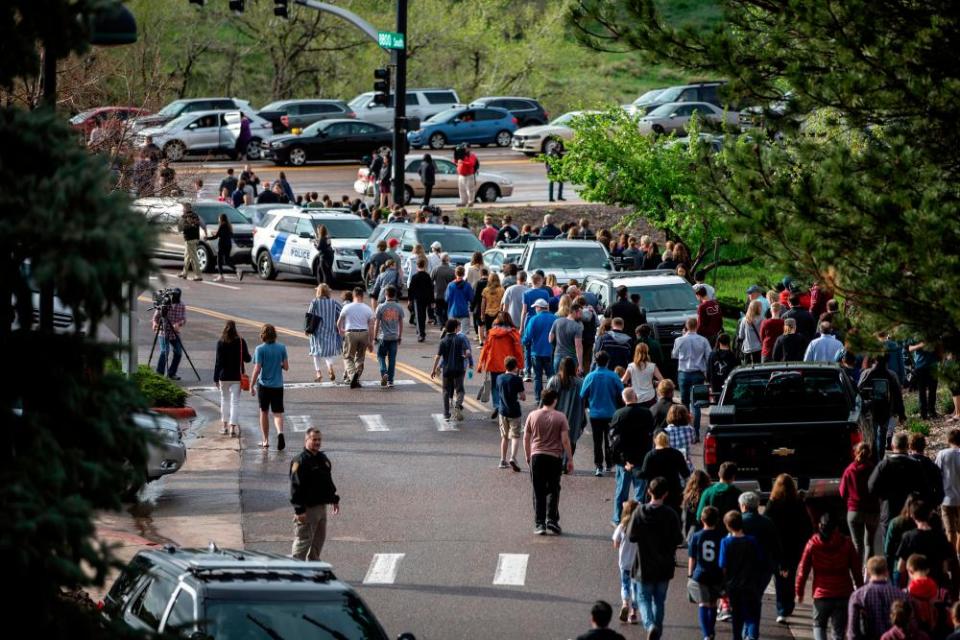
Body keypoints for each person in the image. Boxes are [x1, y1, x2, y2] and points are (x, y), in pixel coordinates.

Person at [627, 476, 683, 639]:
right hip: (664, 565)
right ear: (665, 494)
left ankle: (650, 625)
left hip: (644, 564)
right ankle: (656, 630)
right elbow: (678, 539)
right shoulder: (670, 514)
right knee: (659, 601)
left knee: (643, 598)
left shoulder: (639, 511)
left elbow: (631, 536)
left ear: (649, 491)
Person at [796, 513, 864, 640]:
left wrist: (799, 591)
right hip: (843, 593)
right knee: (839, 632)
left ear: (820, 526)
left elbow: (802, 570)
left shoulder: (813, 544)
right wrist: (860, 590)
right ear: (836, 528)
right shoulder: (846, 543)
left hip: (821, 594)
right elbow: (856, 570)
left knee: (818, 626)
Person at [523, 388, 574, 535]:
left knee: (538, 490)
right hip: (554, 457)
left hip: (536, 455)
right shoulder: (560, 417)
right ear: (555, 400)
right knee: (553, 488)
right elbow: (565, 440)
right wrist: (570, 459)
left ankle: (539, 523)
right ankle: (551, 519)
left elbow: (526, 438)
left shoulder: (533, 415)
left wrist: (528, 455)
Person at [764, 473, 813, 623]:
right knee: (790, 577)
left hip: (776, 547)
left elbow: (766, 523)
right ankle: (788, 605)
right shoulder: (798, 503)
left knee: (779, 578)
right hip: (794, 547)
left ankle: (781, 609)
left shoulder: (772, 504)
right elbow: (807, 527)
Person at [290, 427, 341, 561]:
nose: (317, 442)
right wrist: (299, 510)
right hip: (307, 509)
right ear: (306, 440)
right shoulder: (300, 461)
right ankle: (295, 569)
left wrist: (334, 498)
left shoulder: (322, 459)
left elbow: (327, 481)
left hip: (321, 507)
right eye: (314, 439)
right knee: (303, 541)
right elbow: (295, 488)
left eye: (319, 440)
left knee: (318, 541)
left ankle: (313, 567)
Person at [609, 388, 655, 525]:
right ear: (635, 397)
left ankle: (618, 518)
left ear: (624, 399)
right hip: (642, 457)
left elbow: (613, 439)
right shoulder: (647, 413)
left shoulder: (619, 414)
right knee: (640, 491)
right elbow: (651, 433)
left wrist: (619, 458)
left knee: (621, 490)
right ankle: (638, 517)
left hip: (625, 459)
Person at [869, 432, 925, 537]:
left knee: (889, 548)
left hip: (889, 510)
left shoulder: (884, 464)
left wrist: (883, 497)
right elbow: (924, 489)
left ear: (892, 446)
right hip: (910, 512)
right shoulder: (915, 464)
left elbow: (871, 486)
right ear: (907, 446)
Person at [740, 491, 781, 635]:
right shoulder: (767, 522)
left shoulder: (739, 521)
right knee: (756, 600)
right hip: (763, 568)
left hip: (742, 570)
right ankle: (751, 633)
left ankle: (746, 631)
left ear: (743, 506)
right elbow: (776, 546)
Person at [896, 500, 960, 590]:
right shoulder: (940, 537)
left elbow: (900, 567)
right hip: (936, 587)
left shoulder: (908, 537)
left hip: (915, 586)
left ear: (912, 516)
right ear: (929, 515)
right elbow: (945, 567)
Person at [581, 351, 625, 476]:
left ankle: (598, 465)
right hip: (611, 412)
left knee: (597, 440)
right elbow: (622, 392)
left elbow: (582, 394)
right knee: (609, 439)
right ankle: (609, 463)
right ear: (607, 362)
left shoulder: (590, 376)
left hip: (595, 414)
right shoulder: (613, 376)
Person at [721, 510, 763, 640]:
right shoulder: (752, 540)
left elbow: (723, 565)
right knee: (752, 615)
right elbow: (759, 559)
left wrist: (723, 585)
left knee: (737, 616)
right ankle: (752, 637)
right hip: (751, 583)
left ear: (727, 526)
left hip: (733, 585)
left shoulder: (725, 542)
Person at [841, 442, 881, 568]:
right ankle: (868, 574)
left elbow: (842, 492)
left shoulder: (849, 470)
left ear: (855, 453)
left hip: (854, 510)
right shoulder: (874, 469)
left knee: (857, 544)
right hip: (872, 510)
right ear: (869, 454)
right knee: (869, 543)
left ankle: (857, 576)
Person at [847, 556, 907, 640]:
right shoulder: (900, 594)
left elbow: (852, 630)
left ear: (867, 573)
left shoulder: (857, 596)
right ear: (887, 572)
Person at [250, 324, 289, 450]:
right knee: (277, 413)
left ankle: (265, 440)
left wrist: (251, 385)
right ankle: (280, 433)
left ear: (263, 335)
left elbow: (257, 369)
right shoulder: (282, 348)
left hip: (264, 385)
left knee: (264, 412)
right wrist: (280, 365)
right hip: (278, 385)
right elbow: (286, 367)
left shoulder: (259, 349)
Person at [477, 311, 523, 418]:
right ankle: (506, 405)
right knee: (510, 386)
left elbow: (485, 349)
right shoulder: (513, 333)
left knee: (495, 386)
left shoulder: (492, 333)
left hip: (494, 363)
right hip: (509, 363)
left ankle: (497, 405)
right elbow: (518, 350)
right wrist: (520, 365)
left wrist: (480, 364)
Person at [688, 506, 725, 640]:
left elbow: (692, 557)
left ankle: (706, 634)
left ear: (702, 520)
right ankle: (711, 630)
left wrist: (690, 574)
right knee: (713, 604)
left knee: (703, 603)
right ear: (717, 520)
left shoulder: (696, 536)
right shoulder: (721, 536)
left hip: (700, 573)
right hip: (716, 573)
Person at [672, 318, 711, 439]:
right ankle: (696, 432)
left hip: (684, 373)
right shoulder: (703, 340)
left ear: (686, 327)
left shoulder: (679, 340)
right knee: (696, 404)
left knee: (684, 403)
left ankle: (684, 431)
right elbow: (709, 356)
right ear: (697, 326)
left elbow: (674, 355)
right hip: (698, 373)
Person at [213, 320, 251, 438]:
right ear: (235, 329)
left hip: (223, 376)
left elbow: (218, 362)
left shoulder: (221, 342)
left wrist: (215, 377)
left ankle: (224, 427)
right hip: (237, 376)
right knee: (235, 403)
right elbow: (247, 359)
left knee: (224, 401)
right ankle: (232, 428)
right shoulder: (240, 341)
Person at [430, 319, 473, 422]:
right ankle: (458, 405)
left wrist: (434, 369)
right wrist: (466, 356)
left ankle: (446, 413)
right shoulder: (460, 339)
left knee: (445, 390)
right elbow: (468, 352)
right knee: (460, 390)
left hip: (447, 370)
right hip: (459, 369)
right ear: (455, 328)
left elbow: (438, 357)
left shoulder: (443, 341)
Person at [546, 356, 587, 463]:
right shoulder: (580, 383)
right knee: (571, 440)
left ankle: (557, 462)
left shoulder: (553, 381)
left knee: (555, 440)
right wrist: (583, 419)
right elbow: (584, 402)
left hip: (554, 417)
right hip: (574, 418)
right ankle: (567, 462)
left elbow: (545, 400)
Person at [638, 432, 690, 515]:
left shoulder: (650, 455)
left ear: (655, 441)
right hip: (673, 491)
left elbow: (644, 474)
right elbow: (686, 473)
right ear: (667, 441)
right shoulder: (677, 454)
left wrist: (632, 470)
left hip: (655, 490)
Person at [337, 287, 375, 389]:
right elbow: (371, 327)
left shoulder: (347, 307)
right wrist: (371, 342)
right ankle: (356, 377)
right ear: (362, 296)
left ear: (353, 296)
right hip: (364, 333)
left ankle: (352, 374)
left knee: (348, 357)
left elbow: (339, 322)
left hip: (351, 333)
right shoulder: (368, 309)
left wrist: (341, 330)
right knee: (360, 357)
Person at [494, 356, 526, 471]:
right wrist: (518, 395)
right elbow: (523, 397)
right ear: (515, 367)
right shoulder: (517, 380)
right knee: (515, 436)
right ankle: (513, 457)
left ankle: (502, 460)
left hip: (502, 411)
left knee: (504, 437)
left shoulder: (499, 378)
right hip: (514, 411)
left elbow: (498, 391)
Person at [522, 298, 556, 403]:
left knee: (537, 377)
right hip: (550, 352)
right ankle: (552, 398)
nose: (535, 309)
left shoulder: (533, 319)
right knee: (551, 376)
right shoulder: (555, 318)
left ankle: (538, 399)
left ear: (539, 308)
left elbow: (527, 337)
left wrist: (523, 343)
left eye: (536, 307)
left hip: (536, 352)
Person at [307, 284, 343, 383]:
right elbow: (342, 312)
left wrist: (307, 329)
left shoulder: (314, 302)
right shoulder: (333, 302)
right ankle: (330, 366)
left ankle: (318, 372)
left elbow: (309, 315)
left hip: (317, 331)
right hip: (330, 330)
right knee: (328, 352)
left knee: (316, 353)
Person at [612, 500, 640, 625]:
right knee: (636, 587)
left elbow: (616, 544)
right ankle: (633, 613)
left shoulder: (622, 526)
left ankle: (624, 603)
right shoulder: (641, 526)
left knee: (625, 584)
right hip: (637, 564)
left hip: (624, 562)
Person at [373, 285, 404, 387]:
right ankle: (390, 380)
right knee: (392, 359)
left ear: (385, 294)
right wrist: (399, 336)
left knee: (381, 356)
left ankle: (384, 372)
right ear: (394, 295)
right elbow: (401, 323)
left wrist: (374, 337)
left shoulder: (381, 307)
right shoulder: (399, 307)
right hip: (394, 337)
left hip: (383, 337)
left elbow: (377, 323)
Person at [908, 434, 945, 515]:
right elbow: (940, 489)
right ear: (924, 446)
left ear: (910, 446)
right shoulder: (931, 465)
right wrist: (934, 503)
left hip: (908, 507)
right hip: (927, 506)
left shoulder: (904, 464)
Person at [152, 291, 186, 380]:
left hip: (174, 333)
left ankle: (172, 373)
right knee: (165, 351)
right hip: (163, 332)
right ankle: (159, 373)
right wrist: (155, 324)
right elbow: (155, 318)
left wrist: (178, 324)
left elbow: (183, 319)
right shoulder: (164, 304)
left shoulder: (181, 305)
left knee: (178, 352)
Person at [937, 428, 960, 555]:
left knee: (949, 531)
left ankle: (951, 559)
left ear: (948, 440)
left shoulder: (942, 454)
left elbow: (937, 472)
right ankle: (958, 555)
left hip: (946, 498)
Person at [621, 343, 663, 407]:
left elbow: (623, 381)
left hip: (636, 398)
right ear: (647, 352)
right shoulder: (652, 366)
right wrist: (655, 383)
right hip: (650, 397)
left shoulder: (631, 366)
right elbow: (662, 380)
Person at [909, 341, 941, 419]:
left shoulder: (933, 333)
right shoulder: (916, 334)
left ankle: (932, 412)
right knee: (921, 391)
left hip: (933, 366)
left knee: (933, 390)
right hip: (920, 366)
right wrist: (920, 345)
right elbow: (910, 348)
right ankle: (923, 413)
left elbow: (939, 346)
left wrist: (941, 358)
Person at [550, 302, 584, 374]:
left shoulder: (557, 321)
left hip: (558, 356)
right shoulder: (577, 327)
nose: (581, 315)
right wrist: (580, 365)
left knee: (558, 380)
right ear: (574, 312)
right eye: (580, 313)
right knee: (571, 382)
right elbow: (578, 347)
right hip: (571, 358)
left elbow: (550, 339)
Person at [408, 258, 434, 342]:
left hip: (417, 299)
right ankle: (420, 331)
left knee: (419, 316)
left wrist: (410, 300)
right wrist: (432, 301)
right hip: (426, 298)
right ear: (425, 266)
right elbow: (431, 289)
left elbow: (411, 289)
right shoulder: (427, 276)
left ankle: (421, 334)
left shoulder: (415, 277)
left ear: (417, 266)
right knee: (423, 315)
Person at [662, 405, 696, 469]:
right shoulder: (690, 430)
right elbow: (693, 440)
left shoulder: (665, 432)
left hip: (670, 467)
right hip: (686, 466)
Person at [208, 213, 238, 282]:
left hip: (222, 245)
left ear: (221, 219)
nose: (218, 220)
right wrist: (218, 234)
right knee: (227, 260)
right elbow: (229, 234)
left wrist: (207, 238)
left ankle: (221, 276)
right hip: (228, 244)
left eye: (219, 218)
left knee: (219, 260)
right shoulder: (229, 226)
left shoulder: (222, 225)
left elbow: (216, 236)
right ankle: (237, 270)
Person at [177, 203, 203, 281]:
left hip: (189, 239)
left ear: (185, 209)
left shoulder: (184, 217)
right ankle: (184, 273)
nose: (182, 210)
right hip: (195, 237)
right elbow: (199, 224)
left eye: (183, 208)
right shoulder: (195, 215)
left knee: (193, 257)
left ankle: (198, 275)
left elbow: (180, 228)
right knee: (187, 256)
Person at [480, 272, 505, 345]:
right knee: (498, 331)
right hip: (498, 313)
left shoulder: (485, 290)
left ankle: (489, 345)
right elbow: (503, 303)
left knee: (488, 331)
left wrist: (482, 314)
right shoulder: (502, 290)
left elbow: (483, 304)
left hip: (488, 313)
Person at [431, 253, 456, 325]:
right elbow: (454, 284)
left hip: (438, 294)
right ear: (448, 260)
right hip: (448, 294)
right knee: (446, 311)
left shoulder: (435, 269)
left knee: (438, 311)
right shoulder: (451, 271)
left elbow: (431, 281)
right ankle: (445, 324)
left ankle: (442, 325)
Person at [738, 299, 764, 364]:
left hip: (747, 349)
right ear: (757, 308)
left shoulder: (744, 320)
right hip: (759, 348)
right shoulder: (762, 319)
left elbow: (741, 335)